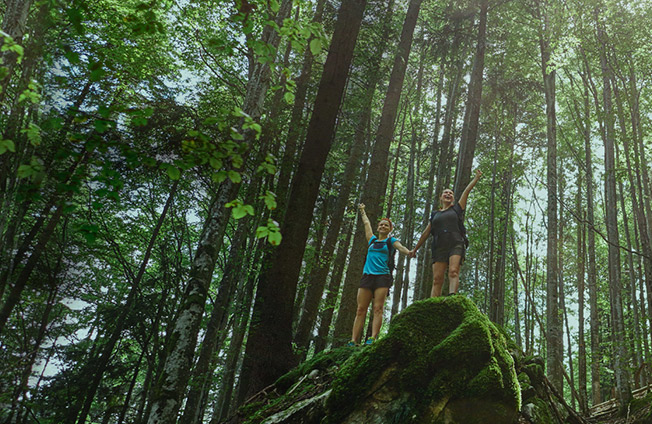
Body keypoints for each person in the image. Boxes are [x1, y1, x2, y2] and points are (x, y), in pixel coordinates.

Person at [409, 169, 482, 297]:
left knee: (453, 271)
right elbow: (426, 233)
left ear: (453, 199)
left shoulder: (456, 209)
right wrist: (415, 249)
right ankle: (433, 304)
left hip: (455, 242)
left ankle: (452, 297)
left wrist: (475, 178)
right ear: (440, 197)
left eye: (451, 193)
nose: (448, 194)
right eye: (445, 193)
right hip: (439, 246)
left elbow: (466, 192)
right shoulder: (435, 215)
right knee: (437, 279)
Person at [349, 203, 410, 346]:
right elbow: (366, 224)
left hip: (382, 277)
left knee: (378, 308)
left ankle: (372, 338)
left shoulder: (391, 241)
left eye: (386, 226)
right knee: (360, 309)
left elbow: (400, 247)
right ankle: (353, 340)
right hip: (367, 276)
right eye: (381, 225)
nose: (383, 227)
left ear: (390, 229)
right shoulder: (372, 240)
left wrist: (409, 252)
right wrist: (363, 211)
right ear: (378, 227)